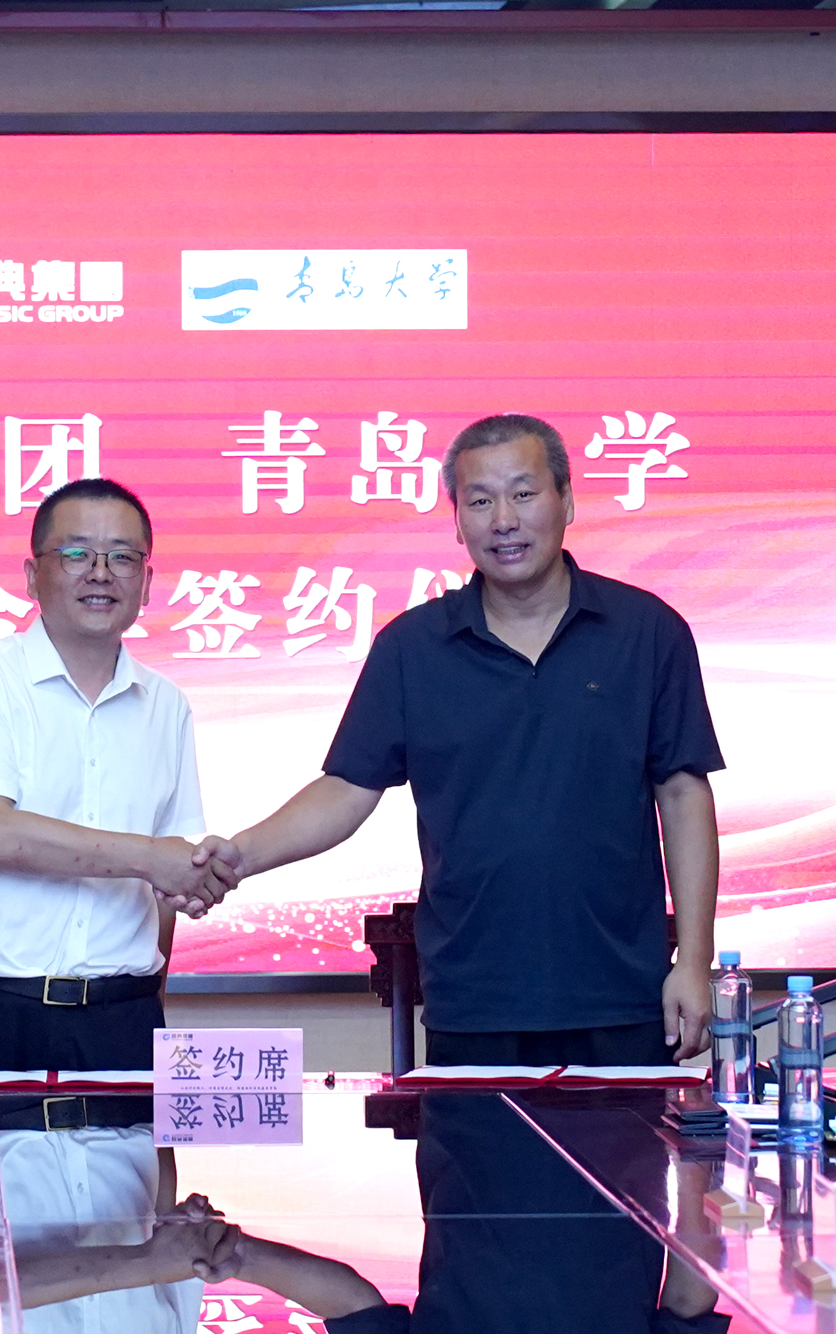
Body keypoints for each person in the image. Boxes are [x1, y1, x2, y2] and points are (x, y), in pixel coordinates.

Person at [191, 414, 724, 1067]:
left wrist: (693, 961)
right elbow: (347, 790)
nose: (504, 520)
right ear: (456, 521)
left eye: (524, 493)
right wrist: (238, 856)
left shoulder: (647, 632)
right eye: (480, 501)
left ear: (567, 501)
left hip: (622, 995)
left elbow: (683, 795)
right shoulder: (413, 648)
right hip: (473, 999)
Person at [0, 477, 233, 1072]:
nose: (101, 574)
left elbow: (167, 885)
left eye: (123, 558)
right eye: (77, 553)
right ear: (32, 575)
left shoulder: (166, 705)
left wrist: (152, 1001)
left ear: (146, 582)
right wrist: (150, 857)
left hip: (123, 1016)